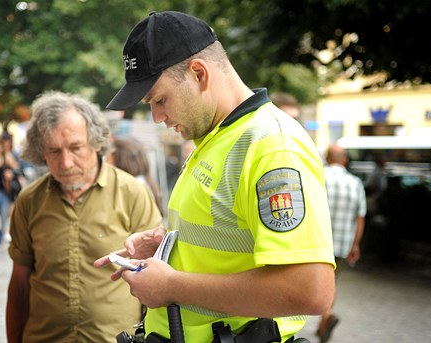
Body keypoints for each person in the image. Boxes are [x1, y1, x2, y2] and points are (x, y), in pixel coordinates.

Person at [95, 11, 336, 342]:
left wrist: (170, 285)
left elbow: (311, 290)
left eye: (160, 99)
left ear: (198, 73)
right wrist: (167, 246)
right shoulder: (215, 137)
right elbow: (229, 237)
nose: (156, 117)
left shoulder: (272, 146)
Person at [5, 91, 163, 343]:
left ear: (96, 142)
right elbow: (19, 284)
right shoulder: (29, 201)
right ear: (40, 153)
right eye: (53, 151)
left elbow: (157, 275)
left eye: (76, 147)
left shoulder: (132, 193)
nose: (65, 162)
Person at [318, 144, 366, 343]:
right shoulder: (355, 182)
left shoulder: (318, 175)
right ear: (344, 160)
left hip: (317, 242)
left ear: (327, 158)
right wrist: (355, 245)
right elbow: (360, 217)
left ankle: (325, 318)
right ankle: (326, 317)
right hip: (342, 243)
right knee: (332, 282)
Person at [107, 136, 163, 214]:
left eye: (110, 155)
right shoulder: (144, 182)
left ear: (122, 158)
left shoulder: (134, 187)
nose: (106, 161)